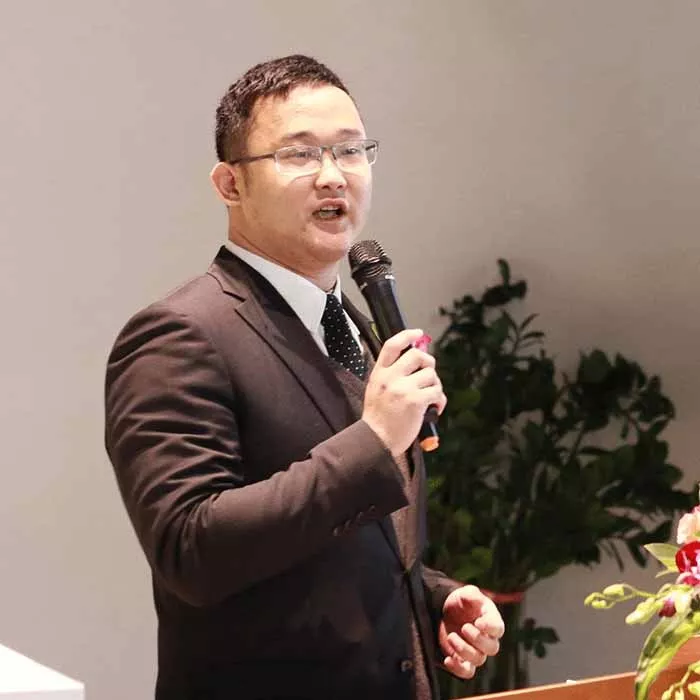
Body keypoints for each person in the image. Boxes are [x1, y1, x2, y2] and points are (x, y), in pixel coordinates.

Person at [104, 54, 504, 700]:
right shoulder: (180, 335)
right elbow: (190, 549)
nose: (333, 175)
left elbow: (342, 546)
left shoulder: (354, 324)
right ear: (230, 184)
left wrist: (432, 598)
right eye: (299, 154)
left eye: (350, 150)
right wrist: (375, 439)